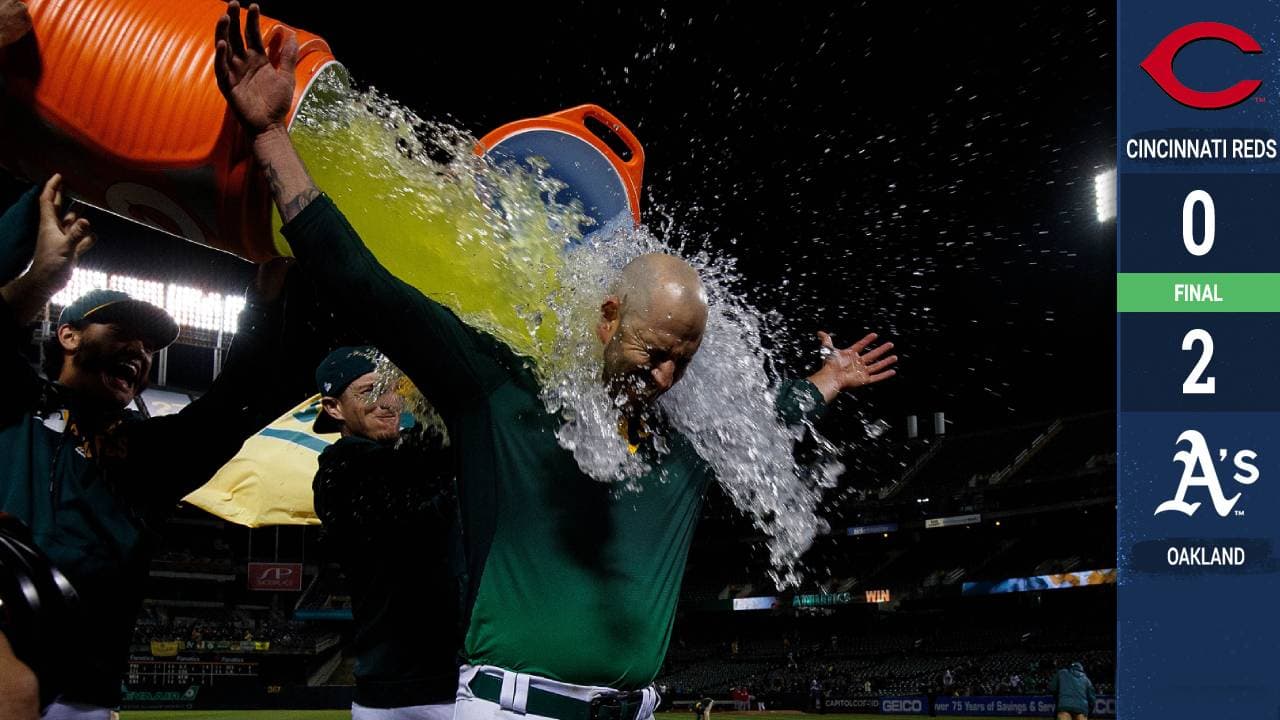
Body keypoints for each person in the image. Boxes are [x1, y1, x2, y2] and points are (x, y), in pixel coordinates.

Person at [212, 5, 898, 720]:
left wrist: (828, 380)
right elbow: (366, 285)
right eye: (653, 352)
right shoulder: (502, 390)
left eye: (683, 363)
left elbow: (765, 421)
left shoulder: (687, 440)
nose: (664, 377)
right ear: (607, 317)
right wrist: (269, 137)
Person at [0, 174, 311, 719]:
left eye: (148, 348)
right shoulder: (11, 406)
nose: (139, 354)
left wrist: (260, 307)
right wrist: (39, 269)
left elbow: (230, 406)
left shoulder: (146, 454)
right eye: (122, 332)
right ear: (68, 335)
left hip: (83, 699)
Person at [310, 346, 463, 720]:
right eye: (367, 392)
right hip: (402, 697)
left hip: (447, 686)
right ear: (334, 408)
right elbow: (413, 523)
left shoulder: (401, 458)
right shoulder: (341, 469)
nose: (387, 402)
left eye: (392, 388)